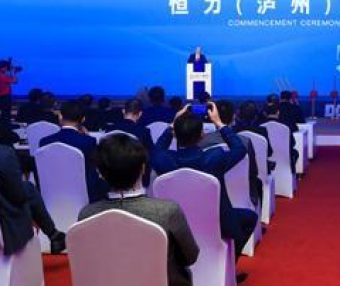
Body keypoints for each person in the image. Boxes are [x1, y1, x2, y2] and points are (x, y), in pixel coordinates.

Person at [150, 103, 258, 274]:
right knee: (249, 218)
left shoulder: (164, 160)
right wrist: (219, 123)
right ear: (202, 134)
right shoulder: (214, 158)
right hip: (217, 222)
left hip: (174, 224)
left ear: (175, 134)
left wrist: (172, 125)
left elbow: (156, 150)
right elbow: (239, 149)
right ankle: (227, 270)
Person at [79, 134, 199, 286]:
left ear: (100, 174)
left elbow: (87, 263)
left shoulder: (87, 215)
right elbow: (191, 256)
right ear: (143, 168)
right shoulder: (167, 211)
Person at [0, 144, 66, 255]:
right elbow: (18, 196)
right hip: (6, 226)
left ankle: (54, 235)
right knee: (28, 189)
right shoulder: (4, 154)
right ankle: (53, 234)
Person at [39, 100, 108, 202]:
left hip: (51, 195)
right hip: (85, 196)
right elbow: (93, 171)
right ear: (83, 119)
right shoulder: (89, 142)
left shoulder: (44, 142)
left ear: (60, 116)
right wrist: (87, 137)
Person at [200, 100, 263, 208]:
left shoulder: (202, 142)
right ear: (234, 117)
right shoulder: (245, 141)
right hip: (242, 195)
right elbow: (253, 172)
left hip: (209, 194)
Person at [105, 99, 154, 186]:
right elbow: (150, 154)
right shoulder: (143, 131)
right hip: (135, 176)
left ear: (123, 111)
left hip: (111, 175)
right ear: (140, 114)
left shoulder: (110, 129)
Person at [0, 60, 18, 125]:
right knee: (6, 115)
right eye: (6, 68)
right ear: (3, 67)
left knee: (3, 114)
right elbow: (15, 81)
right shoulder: (3, 76)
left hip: (2, 97)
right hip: (5, 98)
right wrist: (15, 72)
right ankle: (6, 127)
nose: (6, 69)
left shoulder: (3, 76)